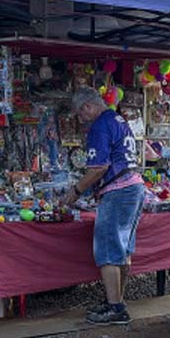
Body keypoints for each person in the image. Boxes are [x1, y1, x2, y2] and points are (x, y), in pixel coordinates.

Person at [63, 86, 145, 325]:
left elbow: (98, 167)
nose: (81, 119)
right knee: (123, 248)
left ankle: (115, 307)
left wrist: (76, 191)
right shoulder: (118, 119)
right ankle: (117, 300)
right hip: (134, 186)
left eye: (80, 114)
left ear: (88, 106)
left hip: (118, 190)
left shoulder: (99, 125)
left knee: (108, 251)